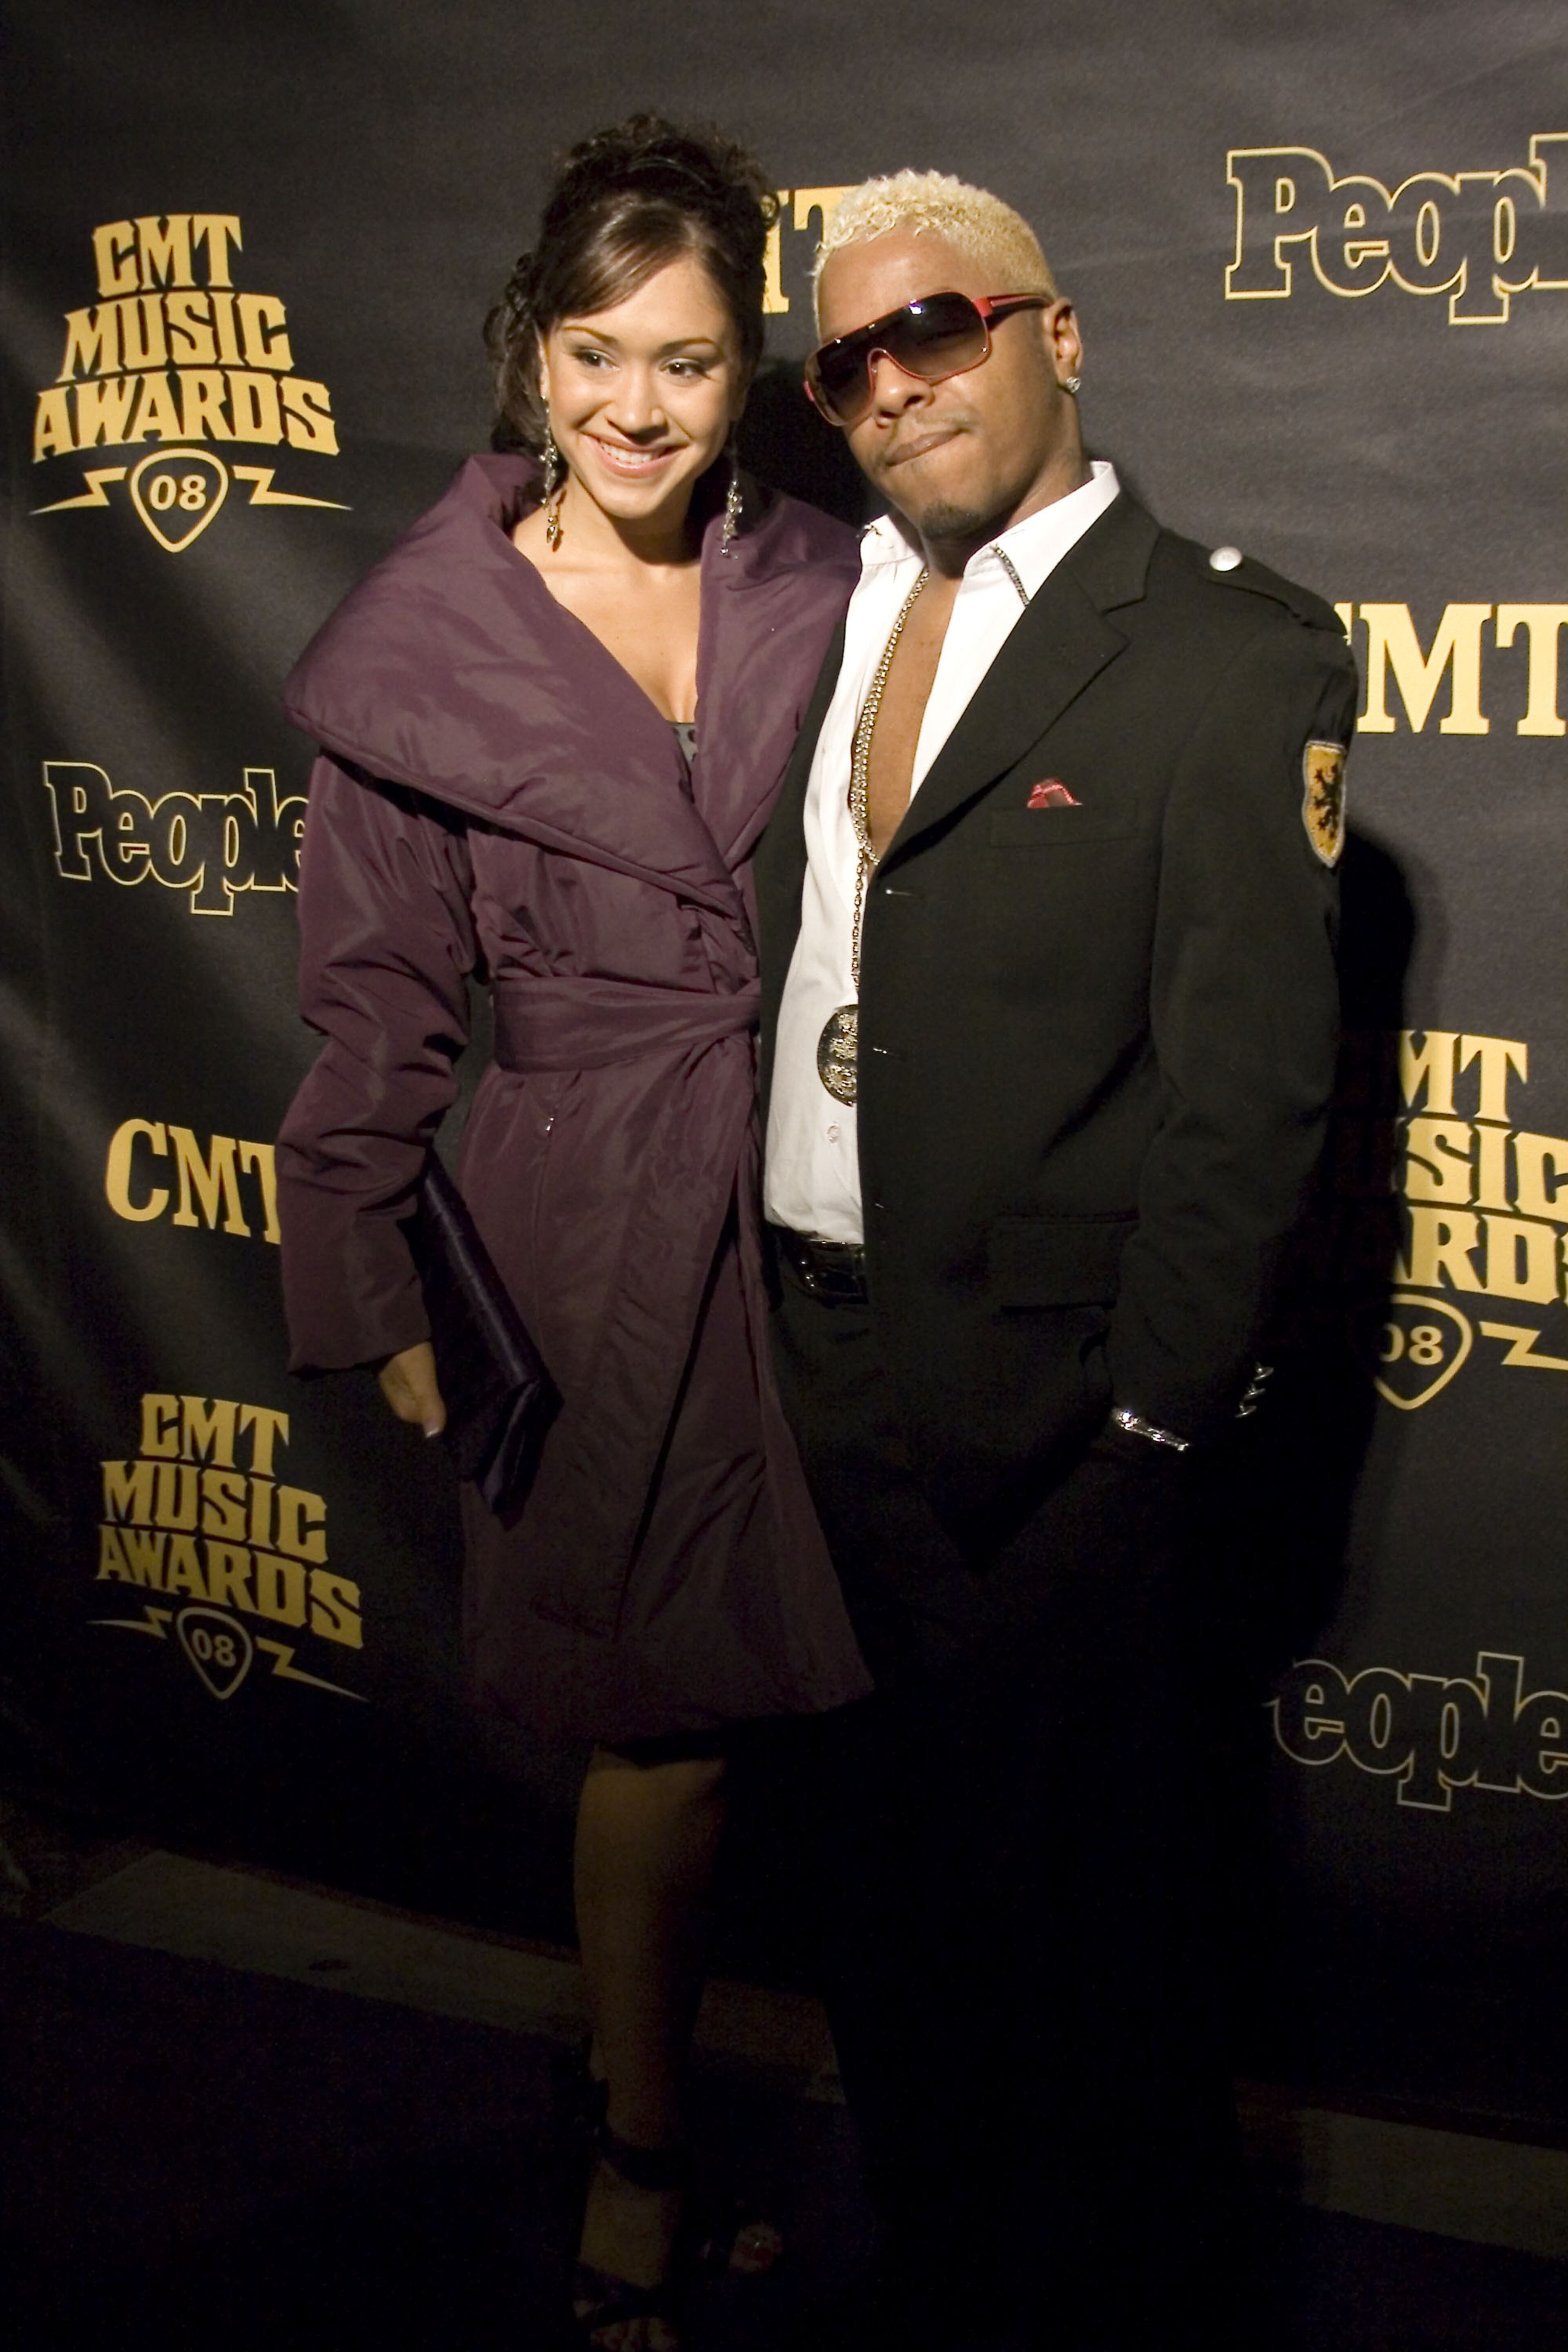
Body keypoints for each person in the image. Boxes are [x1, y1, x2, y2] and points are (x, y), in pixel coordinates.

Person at [273, 118, 869, 2352]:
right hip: (585, 1222)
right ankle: (639, 2153)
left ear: (753, 383)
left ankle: (940, 2145)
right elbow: (373, 1005)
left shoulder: (833, 583)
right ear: (529, 352)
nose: (638, 406)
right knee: (664, 1738)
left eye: (693, 364)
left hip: (833, 1204)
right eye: (599, 353)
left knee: (882, 1712)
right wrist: (378, 1283)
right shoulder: (421, 655)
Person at [755, 172, 1357, 2350]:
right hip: (806, 1396)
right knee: (891, 1939)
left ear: (1060, 333)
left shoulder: (1223, 643)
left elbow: (1250, 1095)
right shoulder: (800, 614)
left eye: (944, 327)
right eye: (848, 360)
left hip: (1059, 1436)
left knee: (1097, 1977)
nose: (896, 382)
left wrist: (1148, 1425)